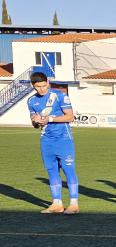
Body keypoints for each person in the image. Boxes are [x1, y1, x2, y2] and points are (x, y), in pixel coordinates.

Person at [28, 72, 79, 214]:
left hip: (63, 138)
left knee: (68, 169)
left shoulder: (60, 95)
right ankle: (57, 203)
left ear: (48, 83)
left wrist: (49, 119)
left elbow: (70, 117)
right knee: (51, 170)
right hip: (46, 139)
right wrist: (36, 121)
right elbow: (35, 124)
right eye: (38, 87)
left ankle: (74, 204)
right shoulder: (31, 101)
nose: (42, 89)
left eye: (44, 85)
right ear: (33, 86)